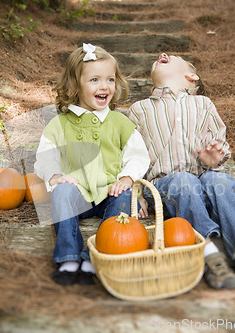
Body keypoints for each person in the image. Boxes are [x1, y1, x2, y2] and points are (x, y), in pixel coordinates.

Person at [128, 53, 235, 290]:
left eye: (172, 57)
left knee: (218, 181)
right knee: (183, 181)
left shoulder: (204, 104)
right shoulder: (139, 109)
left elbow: (217, 145)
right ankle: (210, 255)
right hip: (164, 186)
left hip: (203, 177)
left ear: (191, 77)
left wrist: (214, 159)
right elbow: (131, 156)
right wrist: (137, 191)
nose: (163, 55)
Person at [34, 43, 150, 286]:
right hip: (78, 192)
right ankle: (68, 257)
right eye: (95, 80)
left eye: (110, 79)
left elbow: (137, 155)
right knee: (62, 192)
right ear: (75, 86)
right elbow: (46, 154)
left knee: (123, 197)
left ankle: (91, 259)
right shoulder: (61, 124)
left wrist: (127, 178)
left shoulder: (120, 122)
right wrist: (55, 175)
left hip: (110, 190)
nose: (104, 86)